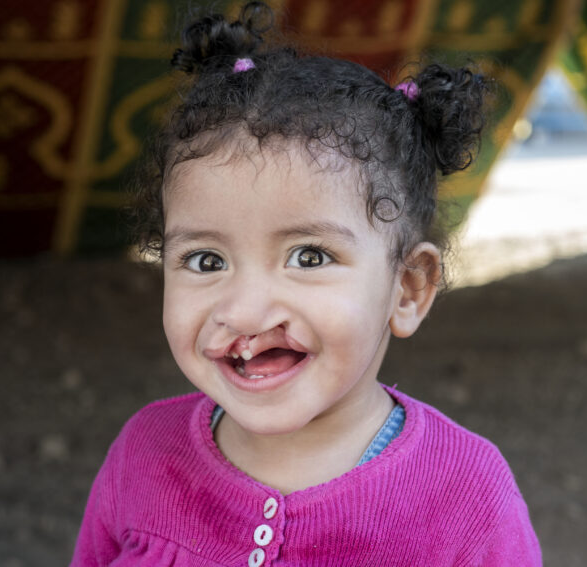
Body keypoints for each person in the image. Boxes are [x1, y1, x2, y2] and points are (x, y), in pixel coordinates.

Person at [71, 2, 541, 565]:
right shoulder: (144, 453)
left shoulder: (466, 498)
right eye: (205, 261)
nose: (245, 312)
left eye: (310, 256)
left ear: (408, 287)